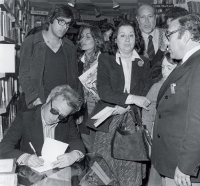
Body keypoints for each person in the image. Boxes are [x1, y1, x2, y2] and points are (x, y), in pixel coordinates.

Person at [91, 20, 153, 186]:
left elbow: (146, 92)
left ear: (136, 38)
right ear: (115, 39)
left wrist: (126, 106)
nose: (127, 40)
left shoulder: (144, 62)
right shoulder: (105, 58)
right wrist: (130, 99)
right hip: (108, 120)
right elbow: (104, 90)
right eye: (122, 35)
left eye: (131, 35)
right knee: (104, 171)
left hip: (132, 124)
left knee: (130, 171)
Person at [151, 14, 200, 186]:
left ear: (185, 36)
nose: (165, 42)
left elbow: (198, 121)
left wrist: (186, 165)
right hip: (173, 159)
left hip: (183, 168)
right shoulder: (188, 63)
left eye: (169, 35)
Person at [0, 85, 85, 169]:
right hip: (31, 174)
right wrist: (25, 158)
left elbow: (76, 140)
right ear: (48, 99)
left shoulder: (68, 119)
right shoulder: (25, 117)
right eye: (54, 111)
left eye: (61, 117)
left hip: (57, 172)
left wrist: (74, 155)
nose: (55, 118)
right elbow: (3, 147)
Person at [19, 4, 80, 109]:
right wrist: (35, 100)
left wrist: (77, 104)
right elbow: (24, 74)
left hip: (63, 106)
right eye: (61, 22)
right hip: (38, 104)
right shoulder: (31, 42)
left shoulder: (69, 47)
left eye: (68, 24)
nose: (65, 27)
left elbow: (74, 78)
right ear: (50, 19)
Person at [142, 52, 178, 186]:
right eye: (163, 67)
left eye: (169, 68)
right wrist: (148, 138)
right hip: (158, 142)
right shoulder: (157, 87)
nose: (164, 72)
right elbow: (147, 113)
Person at [76, 25, 105, 152]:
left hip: (100, 107)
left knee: (100, 146)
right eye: (81, 37)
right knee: (87, 144)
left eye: (88, 37)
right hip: (83, 109)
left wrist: (104, 95)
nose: (83, 40)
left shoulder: (105, 60)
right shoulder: (78, 61)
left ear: (96, 39)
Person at [136, 4, 167, 81]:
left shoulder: (167, 35)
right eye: (142, 17)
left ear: (155, 17)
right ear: (137, 19)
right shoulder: (132, 39)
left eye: (150, 16)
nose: (147, 21)